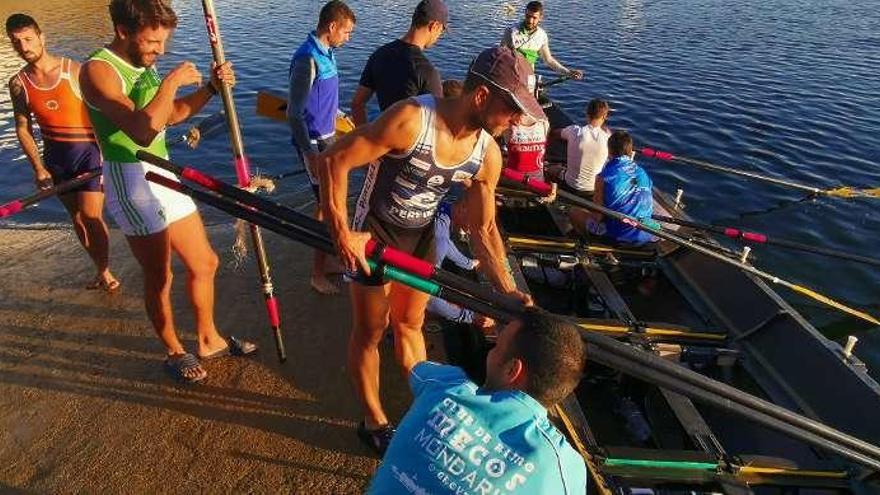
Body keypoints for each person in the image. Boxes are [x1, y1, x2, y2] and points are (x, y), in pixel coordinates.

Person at [318, 46, 541, 454]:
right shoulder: (410, 120)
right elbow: (334, 161)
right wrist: (339, 229)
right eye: (512, 109)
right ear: (481, 96)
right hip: (376, 233)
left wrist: (506, 290)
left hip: (419, 239)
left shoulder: (486, 154)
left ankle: (426, 408)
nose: (517, 121)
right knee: (371, 330)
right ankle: (373, 419)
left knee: (410, 325)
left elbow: (484, 228)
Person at [79, 0, 256, 383]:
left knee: (205, 262)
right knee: (160, 276)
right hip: (129, 178)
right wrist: (172, 80)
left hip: (162, 171)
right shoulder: (98, 70)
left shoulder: (145, 62)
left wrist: (210, 87)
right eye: (153, 42)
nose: (159, 50)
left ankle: (208, 338)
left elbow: (169, 115)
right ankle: (174, 350)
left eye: (164, 43)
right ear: (123, 32)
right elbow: (141, 129)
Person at [368, 308, 588, 494]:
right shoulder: (564, 465)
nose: (489, 353)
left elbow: (408, 335)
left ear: (513, 369)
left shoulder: (445, 385)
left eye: (496, 347)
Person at [6, 14, 119, 292]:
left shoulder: (75, 70)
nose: (24, 46)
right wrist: (39, 168)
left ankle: (105, 269)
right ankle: (100, 271)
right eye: (16, 42)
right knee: (78, 219)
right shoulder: (19, 84)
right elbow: (23, 129)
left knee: (92, 215)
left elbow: (102, 113)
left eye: (28, 39)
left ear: (42, 37)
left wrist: (109, 151)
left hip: (89, 154)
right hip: (56, 160)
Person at [287, 1, 356, 295]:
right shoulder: (307, 59)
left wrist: (339, 114)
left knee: (328, 205)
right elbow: (293, 113)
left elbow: (322, 99)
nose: (348, 38)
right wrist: (310, 154)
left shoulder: (327, 53)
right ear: (332, 27)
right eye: (347, 32)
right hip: (315, 145)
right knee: (329, 208)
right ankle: (317, 274)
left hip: (329, 140)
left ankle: (327, 262)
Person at [349, 0, 447, 126]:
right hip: (408, 144)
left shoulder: (379, 54)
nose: (439, 36)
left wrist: (366, 136)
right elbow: (436, 127)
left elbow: (357, 103)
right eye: (442, 30)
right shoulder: (427, 72)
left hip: (382, 140)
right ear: (434, 26)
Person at [569, 130, 658, 245]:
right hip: (646, 232)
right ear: (630, 151)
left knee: (573, 212)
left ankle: (589, 243)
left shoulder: (603, 177)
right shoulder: (642, 172)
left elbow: (597, 216)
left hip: (619, 236)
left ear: (609, 151)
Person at [500, 1, 583, 80]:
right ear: (525, 14)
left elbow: (548, 60)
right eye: (528, 16)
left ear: (541, 18)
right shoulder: (510, 31)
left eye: (534, 18)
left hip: (528, 76)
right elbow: (499, 55)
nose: (530, 21)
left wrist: (568, 72)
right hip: (509, 75)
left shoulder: (541, 36)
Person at [556, 98, 611, 198]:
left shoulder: (574, 130)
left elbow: (557, 133)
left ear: (587, 114)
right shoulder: (608, 139)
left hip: (569, 184)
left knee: (552, 168)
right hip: (592, 189)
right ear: (605, 116)